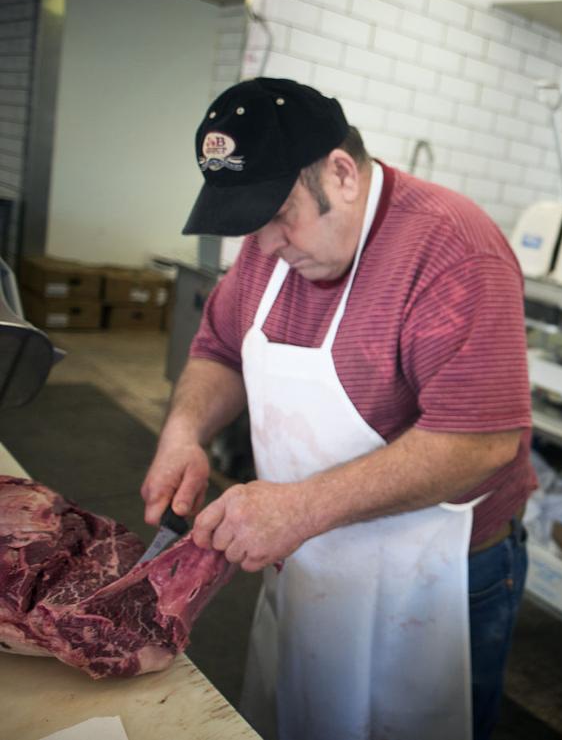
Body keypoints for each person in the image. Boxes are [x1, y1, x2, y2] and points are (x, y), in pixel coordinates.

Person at [140, 77, 536, 740]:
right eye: (252, 223)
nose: (265, 246)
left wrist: (299, 507)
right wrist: (184, 432)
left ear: (343, 174)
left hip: (434, 581)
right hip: (308, 557)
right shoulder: (271, 248)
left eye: (278, 215)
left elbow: (481, 441)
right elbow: (219, 349)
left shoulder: (452, 247)